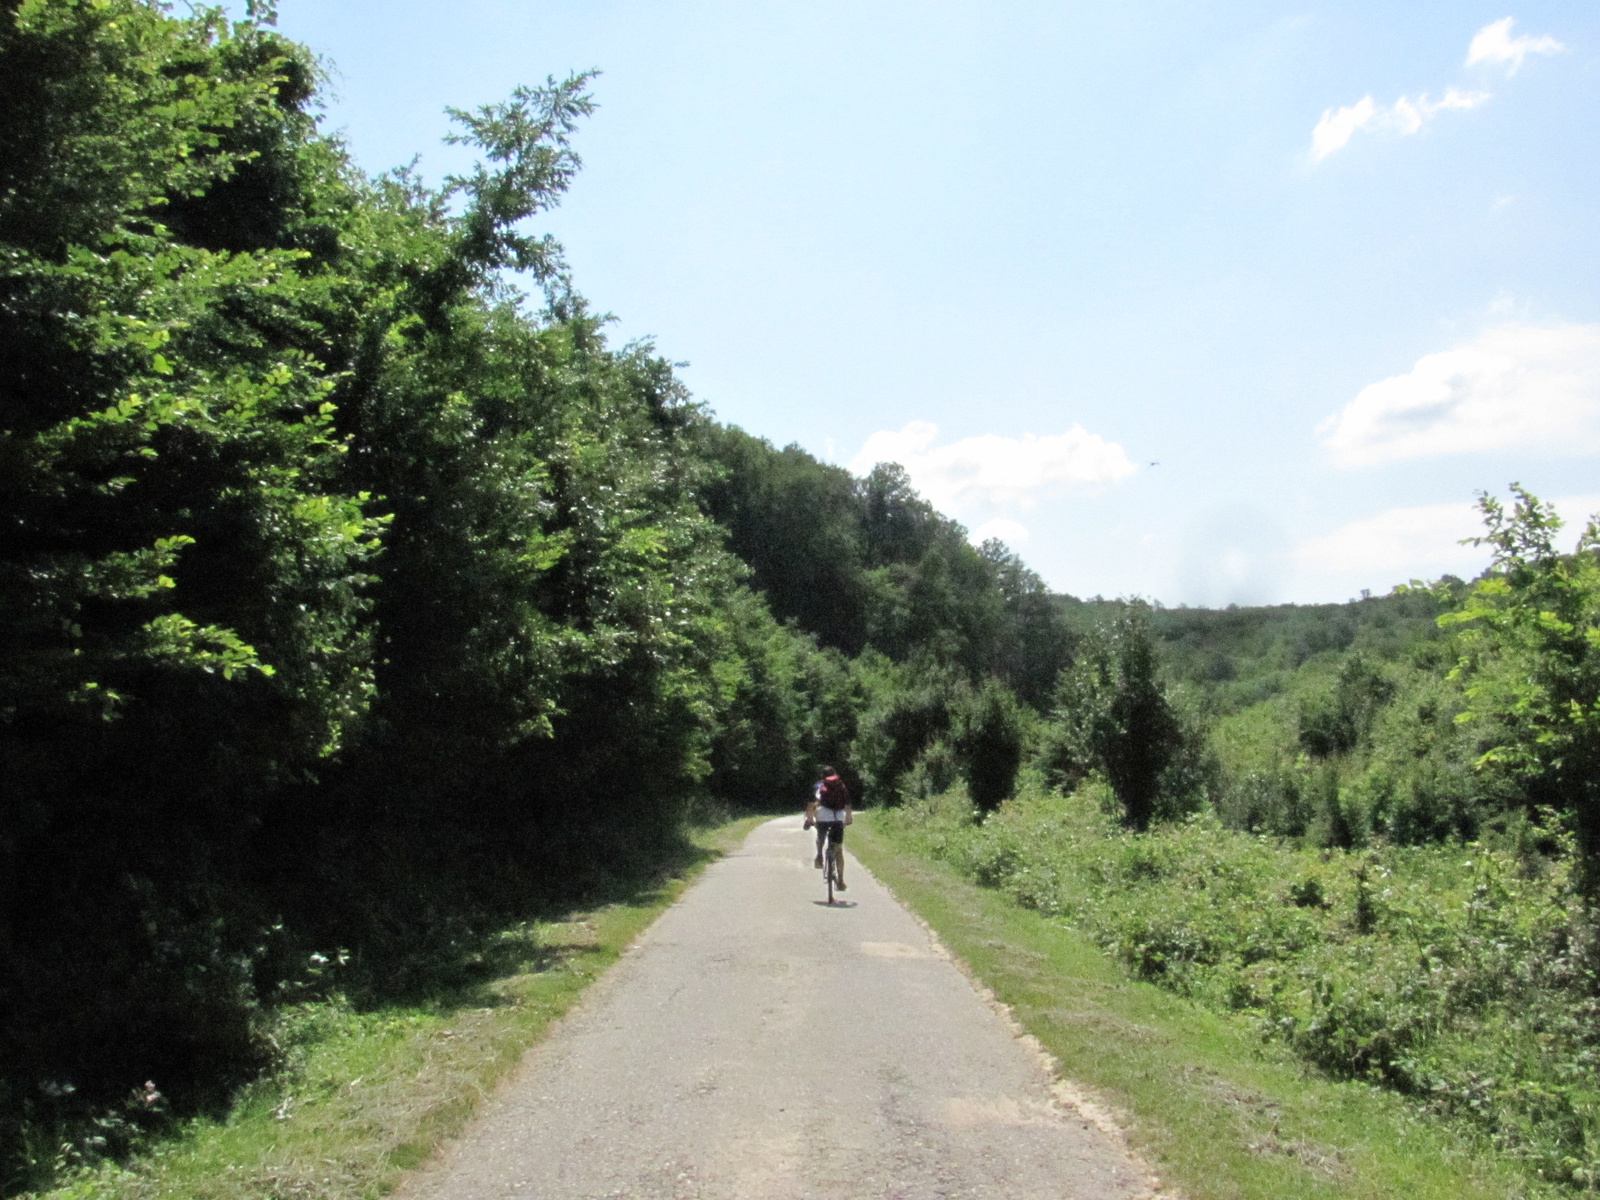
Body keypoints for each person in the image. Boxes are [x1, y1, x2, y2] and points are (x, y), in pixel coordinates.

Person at [806, 765, 852, 890]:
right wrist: (849, 817)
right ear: (835, 774)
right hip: (838, 817)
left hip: (822, 816)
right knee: (838, 850)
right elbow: (847, 803)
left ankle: (819, 854)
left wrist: (810, 819)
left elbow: (811, 805)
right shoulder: (841, 785)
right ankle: (841, 880)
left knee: (820, 835)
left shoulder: (818, 786)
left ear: (822, 776)